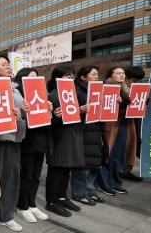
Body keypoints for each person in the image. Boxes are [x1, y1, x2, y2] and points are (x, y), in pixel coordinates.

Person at [0, 54, 29, 233]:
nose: (9, 66)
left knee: (11, 180)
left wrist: (24, 111)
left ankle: (6, 215)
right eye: (4, 64)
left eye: (8, 64)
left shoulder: (16, 88)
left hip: (15, 139)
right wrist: (18, 111)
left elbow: (19, 113)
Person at [45, 66, 86, 217]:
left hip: (72, 134)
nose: (71, 79)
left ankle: (62, 197)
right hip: (59, 137)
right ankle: (51, 201)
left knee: (66, 169)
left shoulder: (70, 93)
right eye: (67, 76)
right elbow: (48, 121)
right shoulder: (53, 96)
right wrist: (56, 117)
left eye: (72, 76)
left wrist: (80, 111)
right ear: (57, 78)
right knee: (57, 169)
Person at [14, 68, 52, 224]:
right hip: (26, 140)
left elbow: (46, 118)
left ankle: (32, 203)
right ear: (22, 79)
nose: (34, 80)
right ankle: (22, 206)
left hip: (41, 139)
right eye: (31, 77)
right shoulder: (17, 95)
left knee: (36, 176)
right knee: (26, 176)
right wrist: (22, 111)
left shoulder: (41, 94)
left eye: (37, 77)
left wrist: (48, 110)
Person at [70, 66, 107, 206]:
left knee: (94, 164)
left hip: (97, 130)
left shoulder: (98, 91)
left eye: (97, 74)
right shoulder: (76, 91)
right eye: (93, 74)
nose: (97, 77)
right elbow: (70, 112)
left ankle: (91, 191)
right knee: (82, 166)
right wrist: (80, 110)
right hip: (83, 132)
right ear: (83, 77)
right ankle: (79, 193)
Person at [96, 67, 133, 196]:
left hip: (122, 124)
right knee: (107, 155)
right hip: (109, 125)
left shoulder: (126, 89)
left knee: (118, 155)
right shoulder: (104, 88)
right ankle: (103, 183)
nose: (122, 75)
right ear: (110, 76)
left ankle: (115, 182)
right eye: (118, 73)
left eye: (123, 73)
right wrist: (120, 106)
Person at [119, 66, 145, 182]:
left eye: (138, 81)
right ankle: (122, 171)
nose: (136, 83)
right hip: (123, 122)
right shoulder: (118, 88)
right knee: (127, 146)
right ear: (126, 77)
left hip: (134, 121)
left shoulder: (135, 89)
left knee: (134, 146)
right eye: (134, 81)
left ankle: (125, 170)